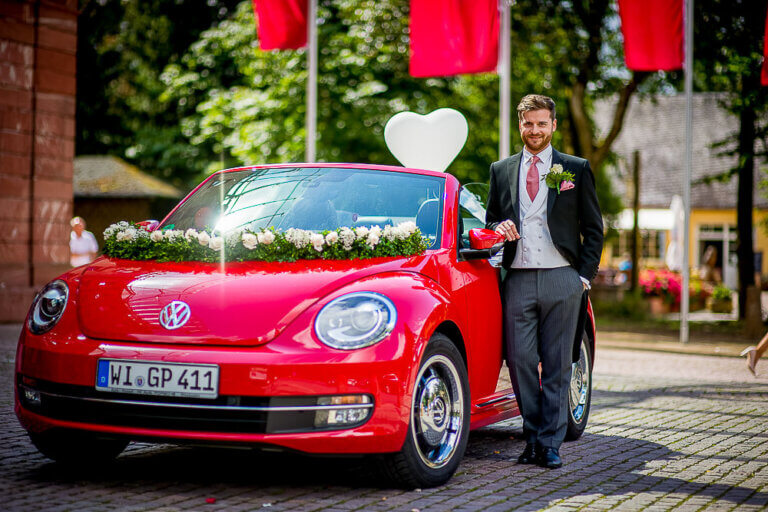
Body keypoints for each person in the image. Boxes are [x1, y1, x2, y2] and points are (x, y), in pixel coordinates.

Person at [485, 94, 603, 469]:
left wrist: (582, 277)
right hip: (518, 278)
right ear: (519, 125)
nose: (534, 130)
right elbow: (490, 220)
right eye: (528, 123)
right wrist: (498, 227)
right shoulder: (501, 169)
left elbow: (594, 228)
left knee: (557, 365)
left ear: (553, 125)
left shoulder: (575, 168)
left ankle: (549, 443)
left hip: (562, 278)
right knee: (520, 361)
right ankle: (533, 434)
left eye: (541, 123)